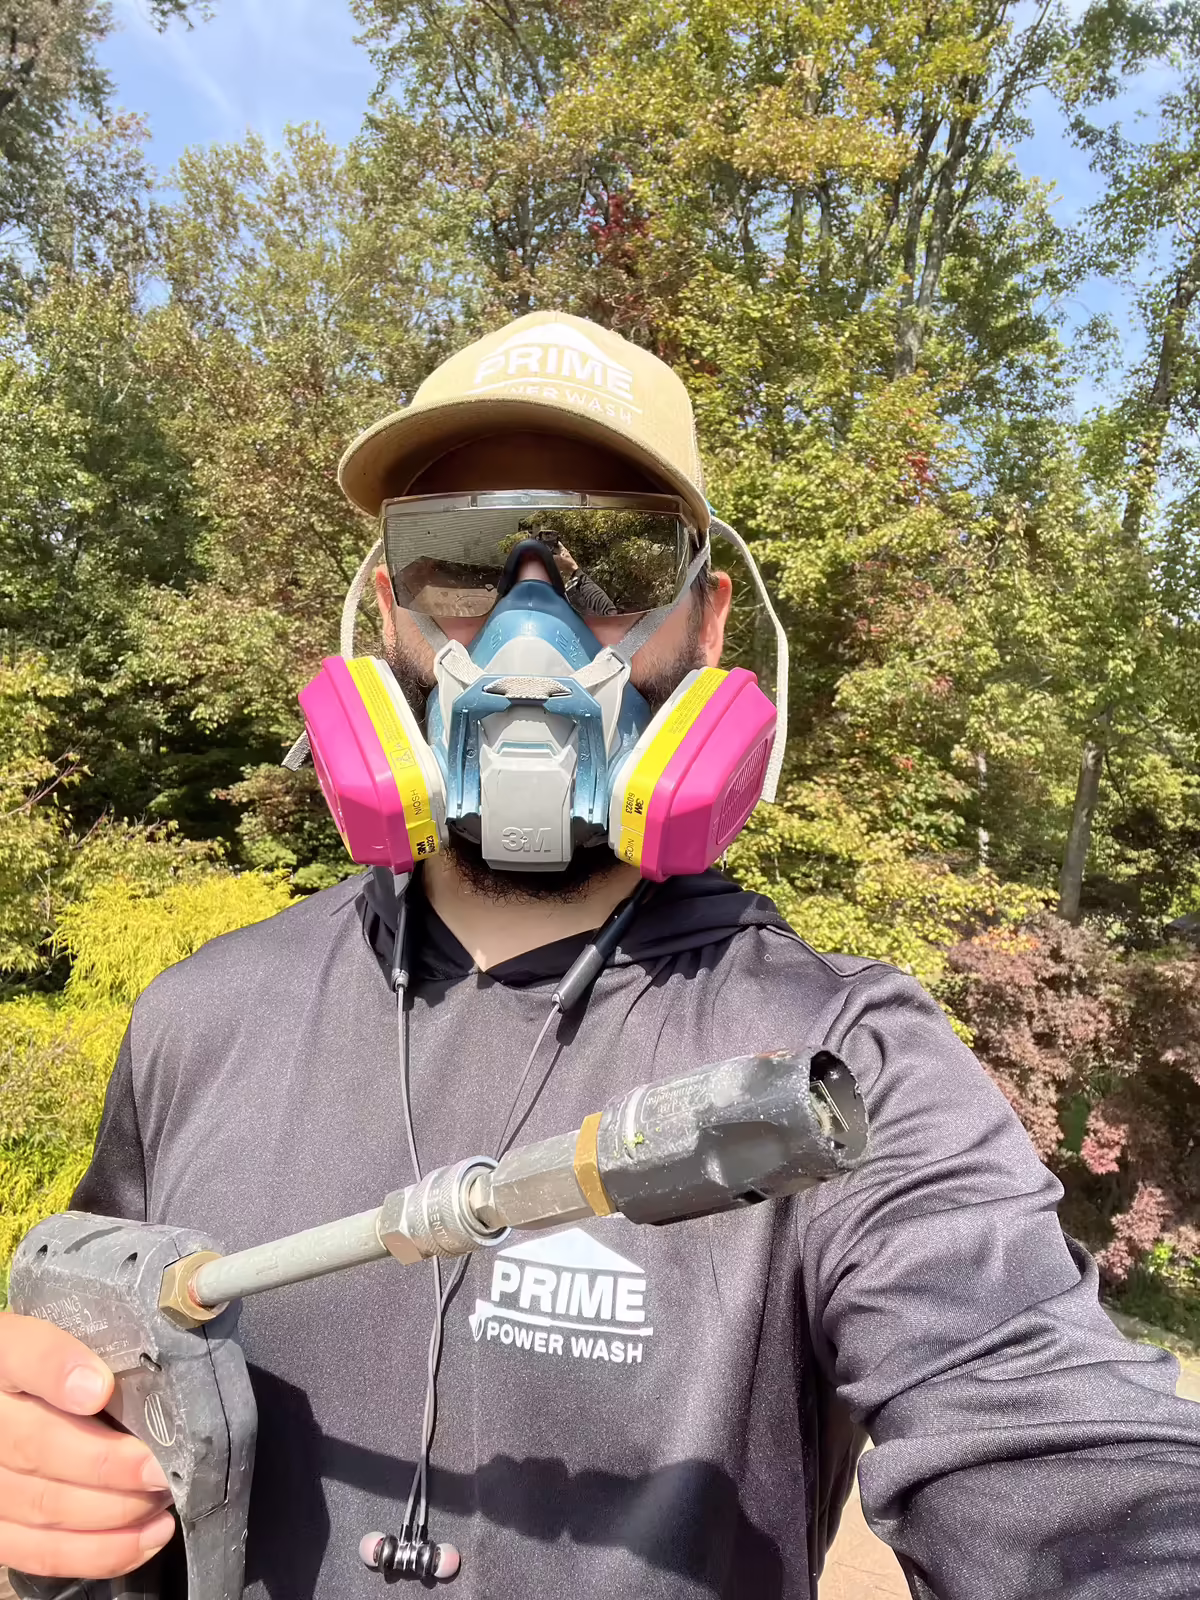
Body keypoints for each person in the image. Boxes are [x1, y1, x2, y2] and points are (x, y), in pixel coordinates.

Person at [1, 313, 1198, 1600]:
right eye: (461, 556)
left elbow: (1063, 1453)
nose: (535, 628)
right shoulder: (200, 1017)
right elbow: (89, 1367)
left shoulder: (841, 1074)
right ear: (387, 608)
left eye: (613, 556)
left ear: (709, 619)